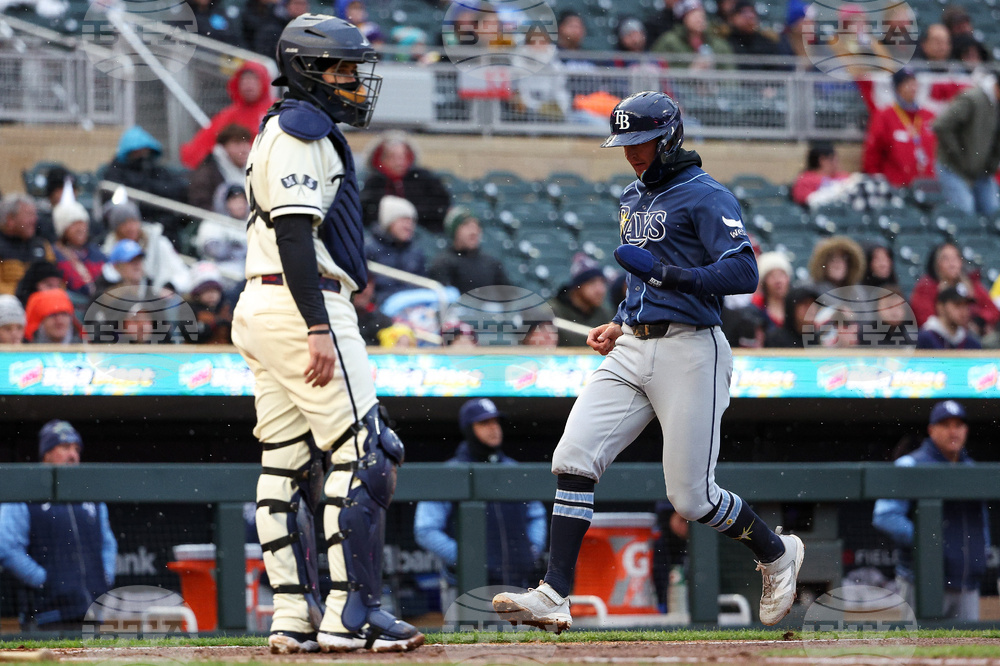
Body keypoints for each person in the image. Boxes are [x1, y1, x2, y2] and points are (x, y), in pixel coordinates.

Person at [492, 92, 804, 633]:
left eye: (642, 141)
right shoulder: (632, 194)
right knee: (573, 456)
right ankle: (554, 593)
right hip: (633, 344)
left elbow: (743, 274)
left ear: (669, 137)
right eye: (625, 142)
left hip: (692, 347)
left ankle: (777, 554)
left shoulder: (706, 194)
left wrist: (669, 276)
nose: (632, 152)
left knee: (692, 499)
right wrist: (622, 318)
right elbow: (643, 278)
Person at [230, 14, 423, 654]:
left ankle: (293, 615)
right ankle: (352, 614)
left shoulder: (285, 126)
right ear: (308, 71)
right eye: (343, 70)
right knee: (368, 454)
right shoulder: (300, 129)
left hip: (265, 304)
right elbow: (293, 232)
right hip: (302, 304)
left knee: (286, 462)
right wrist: (316, 323)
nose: (354, 83)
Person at [872, 401, 990, 620]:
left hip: (967, 585)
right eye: (945, 425)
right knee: (920, 641)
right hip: (922, 581)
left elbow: (980, 519)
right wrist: (931, 543)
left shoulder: (971, 468)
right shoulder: (910, 464)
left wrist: (982, 551)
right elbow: (885, 515)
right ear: (931, 429)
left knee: (967, 643)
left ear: (966, 430)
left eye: (958, 425)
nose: (953, 431)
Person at [414, 399, 547, 590]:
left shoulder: (514, 469)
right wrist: (467, 558)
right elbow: (425, 529)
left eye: (496, 422)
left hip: (517, 583)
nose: (493, 428)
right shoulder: (451, 472)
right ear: (469, 429)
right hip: (466, 587)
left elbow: (536, 514)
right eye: (484, 423)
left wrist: (530, 550)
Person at [0, 421, 117, 631]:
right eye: (64, 447)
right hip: (46, 615)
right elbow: (7, 547)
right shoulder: (25, 493)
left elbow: (108, 544)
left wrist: (104, 578)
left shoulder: (90, 494)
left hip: (91, 612)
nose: (73, 455)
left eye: (76, 449)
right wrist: (46, 581)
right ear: (46, 453)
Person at [180, 63, 275, 170]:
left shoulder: (277, 110)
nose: (249, 85)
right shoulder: (230, 114)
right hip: (237, 171)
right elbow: (205, 142)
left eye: (254, 80)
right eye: (244, 80)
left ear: (264, 82)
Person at [102, 126, 189, 238]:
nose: (142, 155)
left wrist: (151, 188)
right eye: (137, 152)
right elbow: (115, 201)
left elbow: (177, 190)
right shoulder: (115, 172)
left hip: (163, 227)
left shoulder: (157, 170)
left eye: (144, 151)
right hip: (134, 226)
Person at [933, 74, 1000, 216]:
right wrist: (960, 156)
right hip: (953, 167)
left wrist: (990, 166)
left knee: (993, 211)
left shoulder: (995, 104)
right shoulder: (972, 99)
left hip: (980, 171)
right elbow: (942, 125)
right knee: (965, 211)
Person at [359, 133, 451, 233]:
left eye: (403, 157)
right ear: (380, 159)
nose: (399, 162)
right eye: (392, 157)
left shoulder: (424, 179)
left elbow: (439, 207)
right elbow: (366, 215)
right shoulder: (373, 183)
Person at [862, 68, 937, 188]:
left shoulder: (929, 116)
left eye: (914, 82)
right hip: (896, 187)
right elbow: (873, 153)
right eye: (907, 83)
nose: (912, 87)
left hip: (928, 187)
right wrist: (877, 181)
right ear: (897, 88)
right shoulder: (884, 116)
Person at [101, 202, 191, 294]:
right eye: (124, 223)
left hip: (159, 296)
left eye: (133, 221)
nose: (130, 227)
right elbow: (108, 278)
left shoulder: (159, 243)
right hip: (127, 297)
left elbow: (183, 274)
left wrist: (170, 287)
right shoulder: (110, 248)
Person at [909, 242, 998, 333]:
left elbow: (992, 310)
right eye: (945, 259)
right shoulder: (926, 288)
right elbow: (925, 320)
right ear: (936, 263)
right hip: (939, 336)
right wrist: (954, 325)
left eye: (956, 258)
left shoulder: (972, 285)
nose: (952, 264)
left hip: (972, 335)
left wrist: (980, 321)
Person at [428, 206, 509, 293]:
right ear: (455, 231)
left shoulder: (492, 263)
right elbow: (443, 297)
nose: (473, 232)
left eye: (476, 226)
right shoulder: (443, 264)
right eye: (467, 226)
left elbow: (508, 295)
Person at [364, 195, 426, 303]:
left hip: (415, 304)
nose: (409, 225)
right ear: (389, 222)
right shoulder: (369, 249)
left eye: (412, 221)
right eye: (404, 220)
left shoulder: (416, 252)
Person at [547, 253, 614, 347]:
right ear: (577, 287)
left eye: (602, 283)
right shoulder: (552, 312)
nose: (600, 290)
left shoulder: (605, 314)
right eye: (592, 283)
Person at [187, 124, 254, 211]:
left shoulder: (255, 169)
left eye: (246, 143)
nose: (244, 150)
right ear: (223, 147)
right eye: (237, 144)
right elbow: (200, 207)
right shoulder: (207, 173)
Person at [651, 0, 733, 70]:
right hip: (679, 84)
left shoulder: (718, 43)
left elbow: (729, 73)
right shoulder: (669, 41)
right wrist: (690, 72)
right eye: (693, 14)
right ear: (683, 18)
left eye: (701, 14)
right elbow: (657, 67)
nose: (699, 18)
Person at [0, 194, 54, 296]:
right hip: (11, 301)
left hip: (43, 299)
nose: (34, 220)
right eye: (29, 215)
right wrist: (26, 296)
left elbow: (56, 280)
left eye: (35, 215)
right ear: (10, 220)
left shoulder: (42, 245)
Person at [52, 199, 106, 301]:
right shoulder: (54, 255)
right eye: (74, 224)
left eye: (82, 223)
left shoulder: (97, 253)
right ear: (63, 229)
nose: (80, 228)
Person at [916, 284, 982, 349]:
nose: (964, 312)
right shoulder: (923, 340)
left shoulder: (971, 343)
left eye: (966, 306)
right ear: (941, 307)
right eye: (957, 305)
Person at [791, 142, 851, 207]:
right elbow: (805, 200)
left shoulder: (843, 176)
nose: (837, 163)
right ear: (822, 160)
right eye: (834, 159)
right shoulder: (805, 180)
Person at [186, 262, 233, 344]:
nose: (211, 295)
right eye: (206, 290)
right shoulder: (188, 311)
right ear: (197, 294)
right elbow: (191, 335)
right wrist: (213, 325)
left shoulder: (227, 308)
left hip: (225, 350)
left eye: (215, 290)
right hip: (198, 351)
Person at [750, 251, 792, 331]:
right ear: (764, 282)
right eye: (771, 276)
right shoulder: (756, 309)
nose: (778, 281)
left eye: (781, 274)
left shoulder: (797, 307)